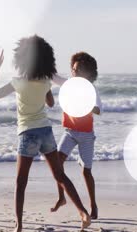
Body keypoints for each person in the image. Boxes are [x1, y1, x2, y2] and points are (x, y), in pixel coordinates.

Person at [0, 36, 91, 231]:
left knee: (21, 182)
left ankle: (18, 225)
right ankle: (83, 212)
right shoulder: (45, 81)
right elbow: (51, 102)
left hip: (27, 134)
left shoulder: (18, 82)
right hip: (46, 132)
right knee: (60, 175)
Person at [50, 52, 102, 219]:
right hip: (70, 132)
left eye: (78, 70)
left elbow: (98, 109)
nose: (75, 73)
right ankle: (61, 197)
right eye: (73, 69)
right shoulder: (68, 84)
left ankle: (93, 205)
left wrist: (84, 102)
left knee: (86, 172)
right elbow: (52, 76)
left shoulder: (91, 89)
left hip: (86, 135)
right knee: (57, 163)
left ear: (87, 72)